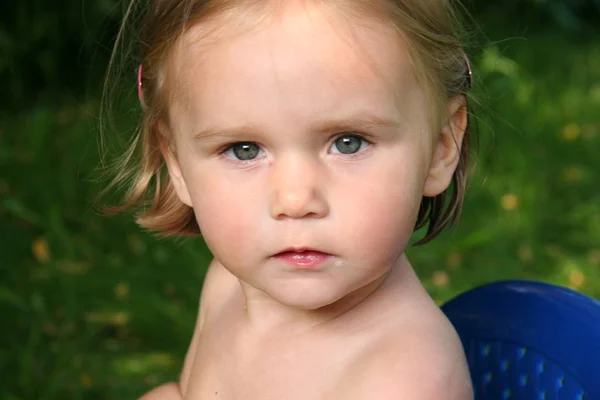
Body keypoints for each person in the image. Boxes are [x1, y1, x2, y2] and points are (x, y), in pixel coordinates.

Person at [106, 0, 475, 398]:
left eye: (348, 143)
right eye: (244, 149)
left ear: (441, 146)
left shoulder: (402, 378)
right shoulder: (227, 284)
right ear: (175, 160)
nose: (296, 200)